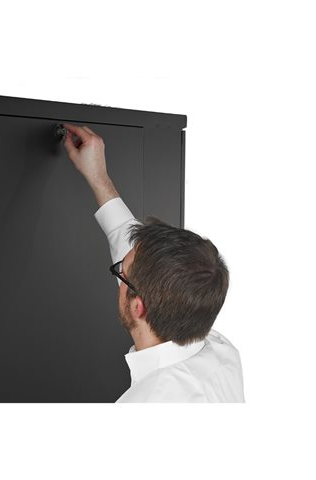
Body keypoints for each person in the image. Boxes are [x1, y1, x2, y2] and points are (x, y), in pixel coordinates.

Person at [62, 123, 245, 402]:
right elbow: (138, 257)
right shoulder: (221, 352)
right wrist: (99, 177)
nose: (119, 269)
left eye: (121, 272)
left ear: (138, 307)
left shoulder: (149, 401)